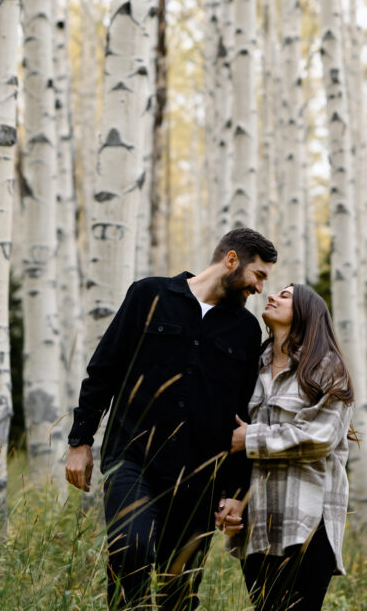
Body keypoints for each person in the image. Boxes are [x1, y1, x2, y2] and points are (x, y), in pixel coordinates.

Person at [65, 227, 278, 611]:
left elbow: (245, 413)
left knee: (177, 591)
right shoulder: (149, 294)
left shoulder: (245, 330)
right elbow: (104, 370)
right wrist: (80, 442)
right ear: (231, 260)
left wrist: (235, 492)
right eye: (258, 275)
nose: (260, 288)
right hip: (133, 461)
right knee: (130, 550)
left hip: (201, 479)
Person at [226, 283, 355, 611]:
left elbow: (318, 438)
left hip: (309, 521)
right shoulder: (251, 366)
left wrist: (251, 439)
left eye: (285, 296)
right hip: (258, 523)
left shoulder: (327, 368)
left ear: (306, 314)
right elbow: (231, 439)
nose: (272, 296)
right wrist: (232, 498)